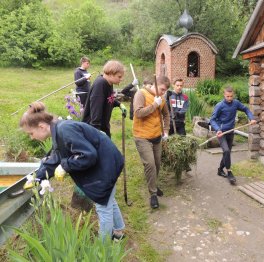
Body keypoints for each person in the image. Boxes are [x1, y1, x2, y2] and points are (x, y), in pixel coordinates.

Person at [21, 102, 125, 241]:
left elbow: (88, 155)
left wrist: (66, 166)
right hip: (106, 161)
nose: (31, 137)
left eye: (31, 133)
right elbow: (56, 157)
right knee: (108, 200)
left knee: (103, 205)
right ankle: (118, 232)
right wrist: (37, 178)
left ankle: (103, 248)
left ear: (41, 126)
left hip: (106, 164)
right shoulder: (58, 130)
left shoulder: (65, 129)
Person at [133, 76, 170, 209]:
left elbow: (166, 115)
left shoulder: (162, 99)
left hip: (156, 136)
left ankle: (153, 184)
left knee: (157, 164)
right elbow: (138, 113)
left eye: (165, 91)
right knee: (150, 165)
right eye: (162, 89)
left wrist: (165, 131)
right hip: (142, 136)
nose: (163, 92)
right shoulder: (141, 94)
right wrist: (154, 104)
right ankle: (153, 194)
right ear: (156, 84)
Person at [210, 86, 257, 185]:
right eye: (227, 96)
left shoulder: (236, 103)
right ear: (224, 95)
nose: (229, 98)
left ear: (233, 95)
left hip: (231, 131)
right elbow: (212, 120)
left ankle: (220, 170)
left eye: (231, 96)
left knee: (227, 152)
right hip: (221, 132)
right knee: (226, 151)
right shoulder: (220, 105)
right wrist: (218, 130)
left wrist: (251, 118)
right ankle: (229, 172)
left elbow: (246, 109)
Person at [82, 60, 128, 138]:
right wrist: (96, 131)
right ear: (110, 74)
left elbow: (109, 98)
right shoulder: (100, 85)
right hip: (93, 128)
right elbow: (96, 108)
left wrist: (119, 104)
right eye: (119, 76)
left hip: (104, 126)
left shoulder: (109, 83)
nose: (121, 79)